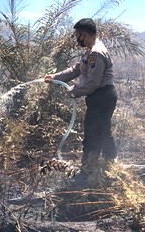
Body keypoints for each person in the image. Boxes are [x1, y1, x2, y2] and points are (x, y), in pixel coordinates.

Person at [44, 18, 118, 182]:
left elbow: (92, 83)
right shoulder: (90, 51)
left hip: (102, 97)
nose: (76, 38)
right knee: (103, 131)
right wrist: (55, 77)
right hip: (102, 97)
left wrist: (74, 91)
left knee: (92, 134)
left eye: (77, 35)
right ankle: (110, 162)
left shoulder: (96, 53)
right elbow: (76, 69)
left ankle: (86, 173)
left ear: (83, 34)